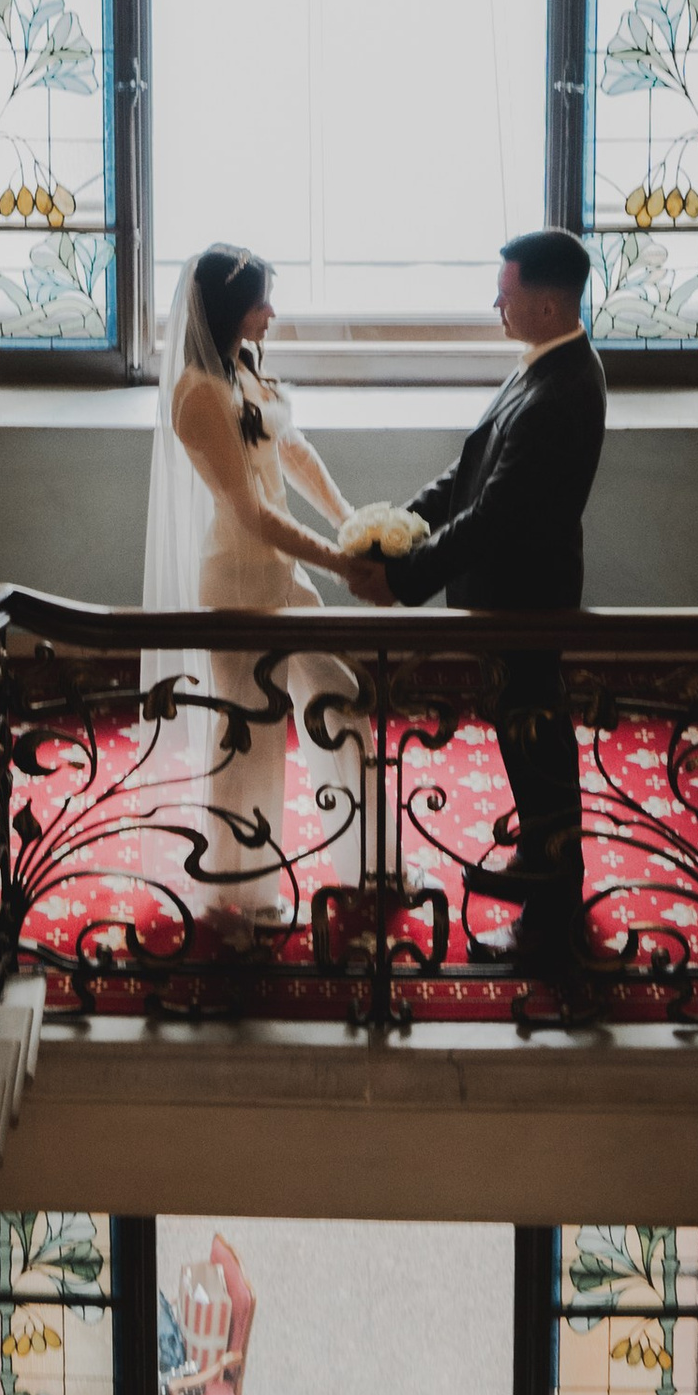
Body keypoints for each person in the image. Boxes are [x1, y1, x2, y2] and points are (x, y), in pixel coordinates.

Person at [345, 228, 605, 974]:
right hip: (509, 593)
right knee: (526, 736)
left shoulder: (561, 390)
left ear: (546, 304)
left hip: (525, 598)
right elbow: (470, 472)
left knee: (538, 744)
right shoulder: (547, 362)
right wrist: (397, 527)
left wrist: (403, 581)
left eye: (506, 293)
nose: (496, 304)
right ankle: (544, 866)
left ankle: (551, 920)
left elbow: (495, 514)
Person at [142, 244, 364, 936]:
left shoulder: (243, 370)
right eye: (261, 301)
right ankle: (238, 892)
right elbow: (252, 513)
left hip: (282, 575)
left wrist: (351, 522)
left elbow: (293, 451)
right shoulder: (198, 395)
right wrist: (339, 563)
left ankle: (369, 861)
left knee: (341, 699)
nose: (272, 312)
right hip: (239, 581)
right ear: (232, 308)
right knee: (250, 737)